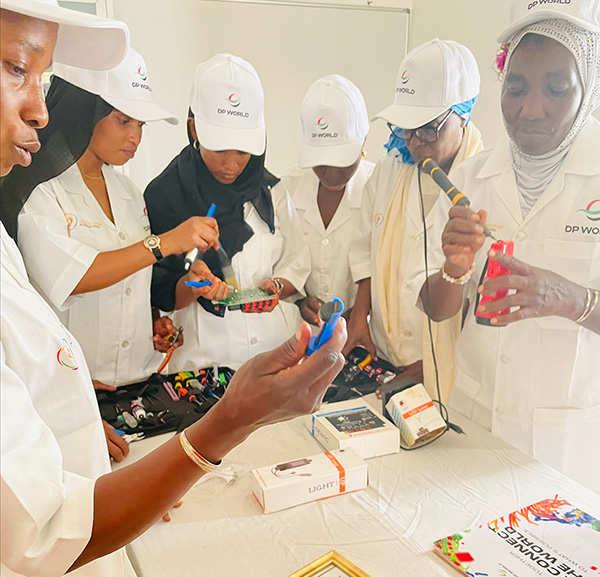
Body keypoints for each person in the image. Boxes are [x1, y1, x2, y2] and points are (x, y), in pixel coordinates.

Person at [0, 3, 346, 575]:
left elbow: (48, 345)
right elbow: (42, 535)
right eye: (17, 68)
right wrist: (227, 422)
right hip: (107, 454)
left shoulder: (134, 193)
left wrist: (161, 311)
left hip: (121, 401)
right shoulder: (52, 198)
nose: (38, 109)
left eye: (43, 78)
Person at [414, 0, 600, 501]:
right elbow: (434, 308)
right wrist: (453, 271)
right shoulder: (470, 178)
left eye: (556, 88)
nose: (530, 108)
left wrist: (569, 298)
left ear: (587, 86)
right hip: (475, 422)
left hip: (568, 447)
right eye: (517, 86)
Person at [12, 47, 227, 463]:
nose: (135, 137)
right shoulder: (40, 191)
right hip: (81, 391)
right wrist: (164, 243)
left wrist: (151, 320)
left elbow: (130, 280)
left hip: (141, 381)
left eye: (140, 123)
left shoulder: (129, 193)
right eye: (122, 120)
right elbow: (75, 276)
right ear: (82, 111)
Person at [145, 53, 310, 372]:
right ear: (194, 128)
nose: (232, 164)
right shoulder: (163, 196)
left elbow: (296, 261)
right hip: (203, 364)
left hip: (272, 355)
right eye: (220, 148)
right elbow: (155, 288)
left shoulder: (271, 192)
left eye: (243, 150)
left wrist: (278, 286)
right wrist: (194, 285)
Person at [346, 39, 483, 394]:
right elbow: (364, 253)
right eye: (404, 128)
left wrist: (437, 359)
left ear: (463, 114)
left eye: (427, 128)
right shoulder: (388, 172)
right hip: (383, 359)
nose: (414, 143)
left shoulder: (486, 184)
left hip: (448, 373)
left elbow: (479, 295)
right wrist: (360, 316)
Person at [274, 74, 374, 326]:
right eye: (319, 162)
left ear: (364, 140)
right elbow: (281, 263)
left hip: (364, 337)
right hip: (299, 339)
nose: (330, 174)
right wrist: (299, 299)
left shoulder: (379, 189)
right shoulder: (286, 188)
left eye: (342, 162)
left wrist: (363, 309)